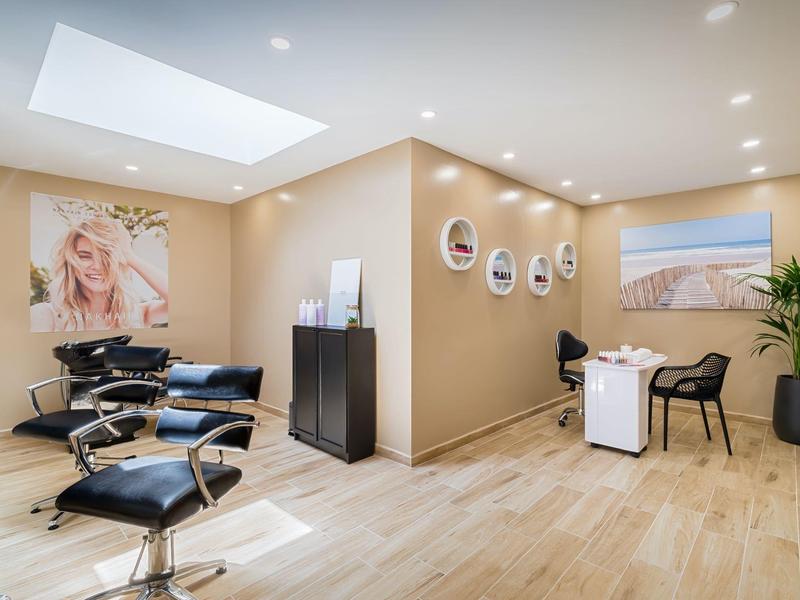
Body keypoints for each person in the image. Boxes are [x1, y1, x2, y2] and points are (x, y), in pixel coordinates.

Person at [30, 217, 168, 332]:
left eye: (106, 256)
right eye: (85, 256)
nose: (97, 266)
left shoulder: (139, 314)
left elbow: (182, 303)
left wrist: (129, 256)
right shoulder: (44, 315)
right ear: (70, 262)